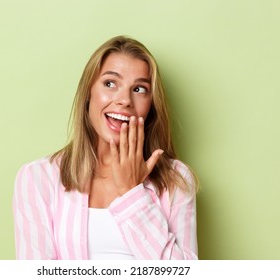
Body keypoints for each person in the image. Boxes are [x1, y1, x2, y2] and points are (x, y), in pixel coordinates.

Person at [13, 35, 198, 260]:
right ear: (88, 93)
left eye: (139, 89)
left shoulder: (176, 179)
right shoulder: (38, 178)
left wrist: (132, 194)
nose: (124, 100)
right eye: (110, 83)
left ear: (151, 105)